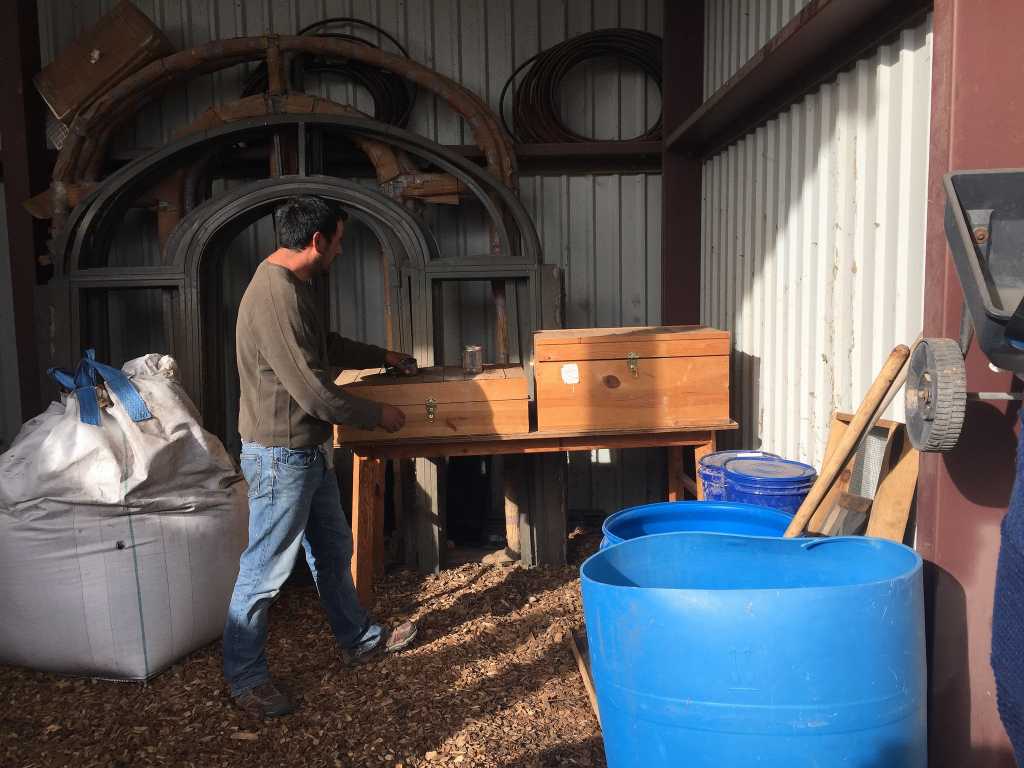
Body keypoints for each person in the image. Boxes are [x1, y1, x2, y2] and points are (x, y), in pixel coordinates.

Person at [223, 195, 418, 717]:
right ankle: (246, 679)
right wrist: (378, 415)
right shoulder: (274, 297)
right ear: (317, 241)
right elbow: (314, 393)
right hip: (279, 457)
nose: (339, 251)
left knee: (332, 552)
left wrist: (383, 357)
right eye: (339, 242)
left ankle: (359, 640)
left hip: (305, 451)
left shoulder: (295, 286)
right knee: (264, 571)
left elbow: (323, 347)